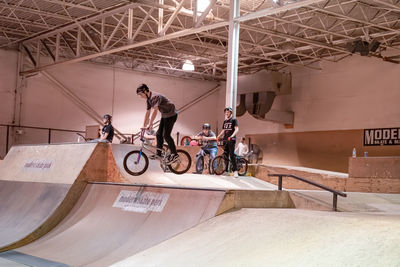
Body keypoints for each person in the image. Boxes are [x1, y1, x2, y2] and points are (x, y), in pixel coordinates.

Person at [136, 83, 178, 163]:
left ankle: (175, 154)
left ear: (145, 91)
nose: (140, 96)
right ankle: (159, 154)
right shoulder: (148, 100)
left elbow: (155, 111)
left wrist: (150, 124)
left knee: (166, 135)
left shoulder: (155, 97)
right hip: (165, 115)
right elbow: (147, 112)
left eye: (140, 94)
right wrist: (143, 125)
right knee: (158, 134)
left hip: (172, 114)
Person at [216, 107, 239, 178]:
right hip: (226, 140)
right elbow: (223, 130)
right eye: (225, 112)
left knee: (232, 155)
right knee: (225, 155)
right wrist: (219, 136)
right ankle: (226, 171)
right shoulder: (225, 121)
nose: (226, 113)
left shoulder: (234, 120)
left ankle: (235, 171)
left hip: (231, 140)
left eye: (228, 112)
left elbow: (237, 129)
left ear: (231, 113)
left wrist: (232, 136)